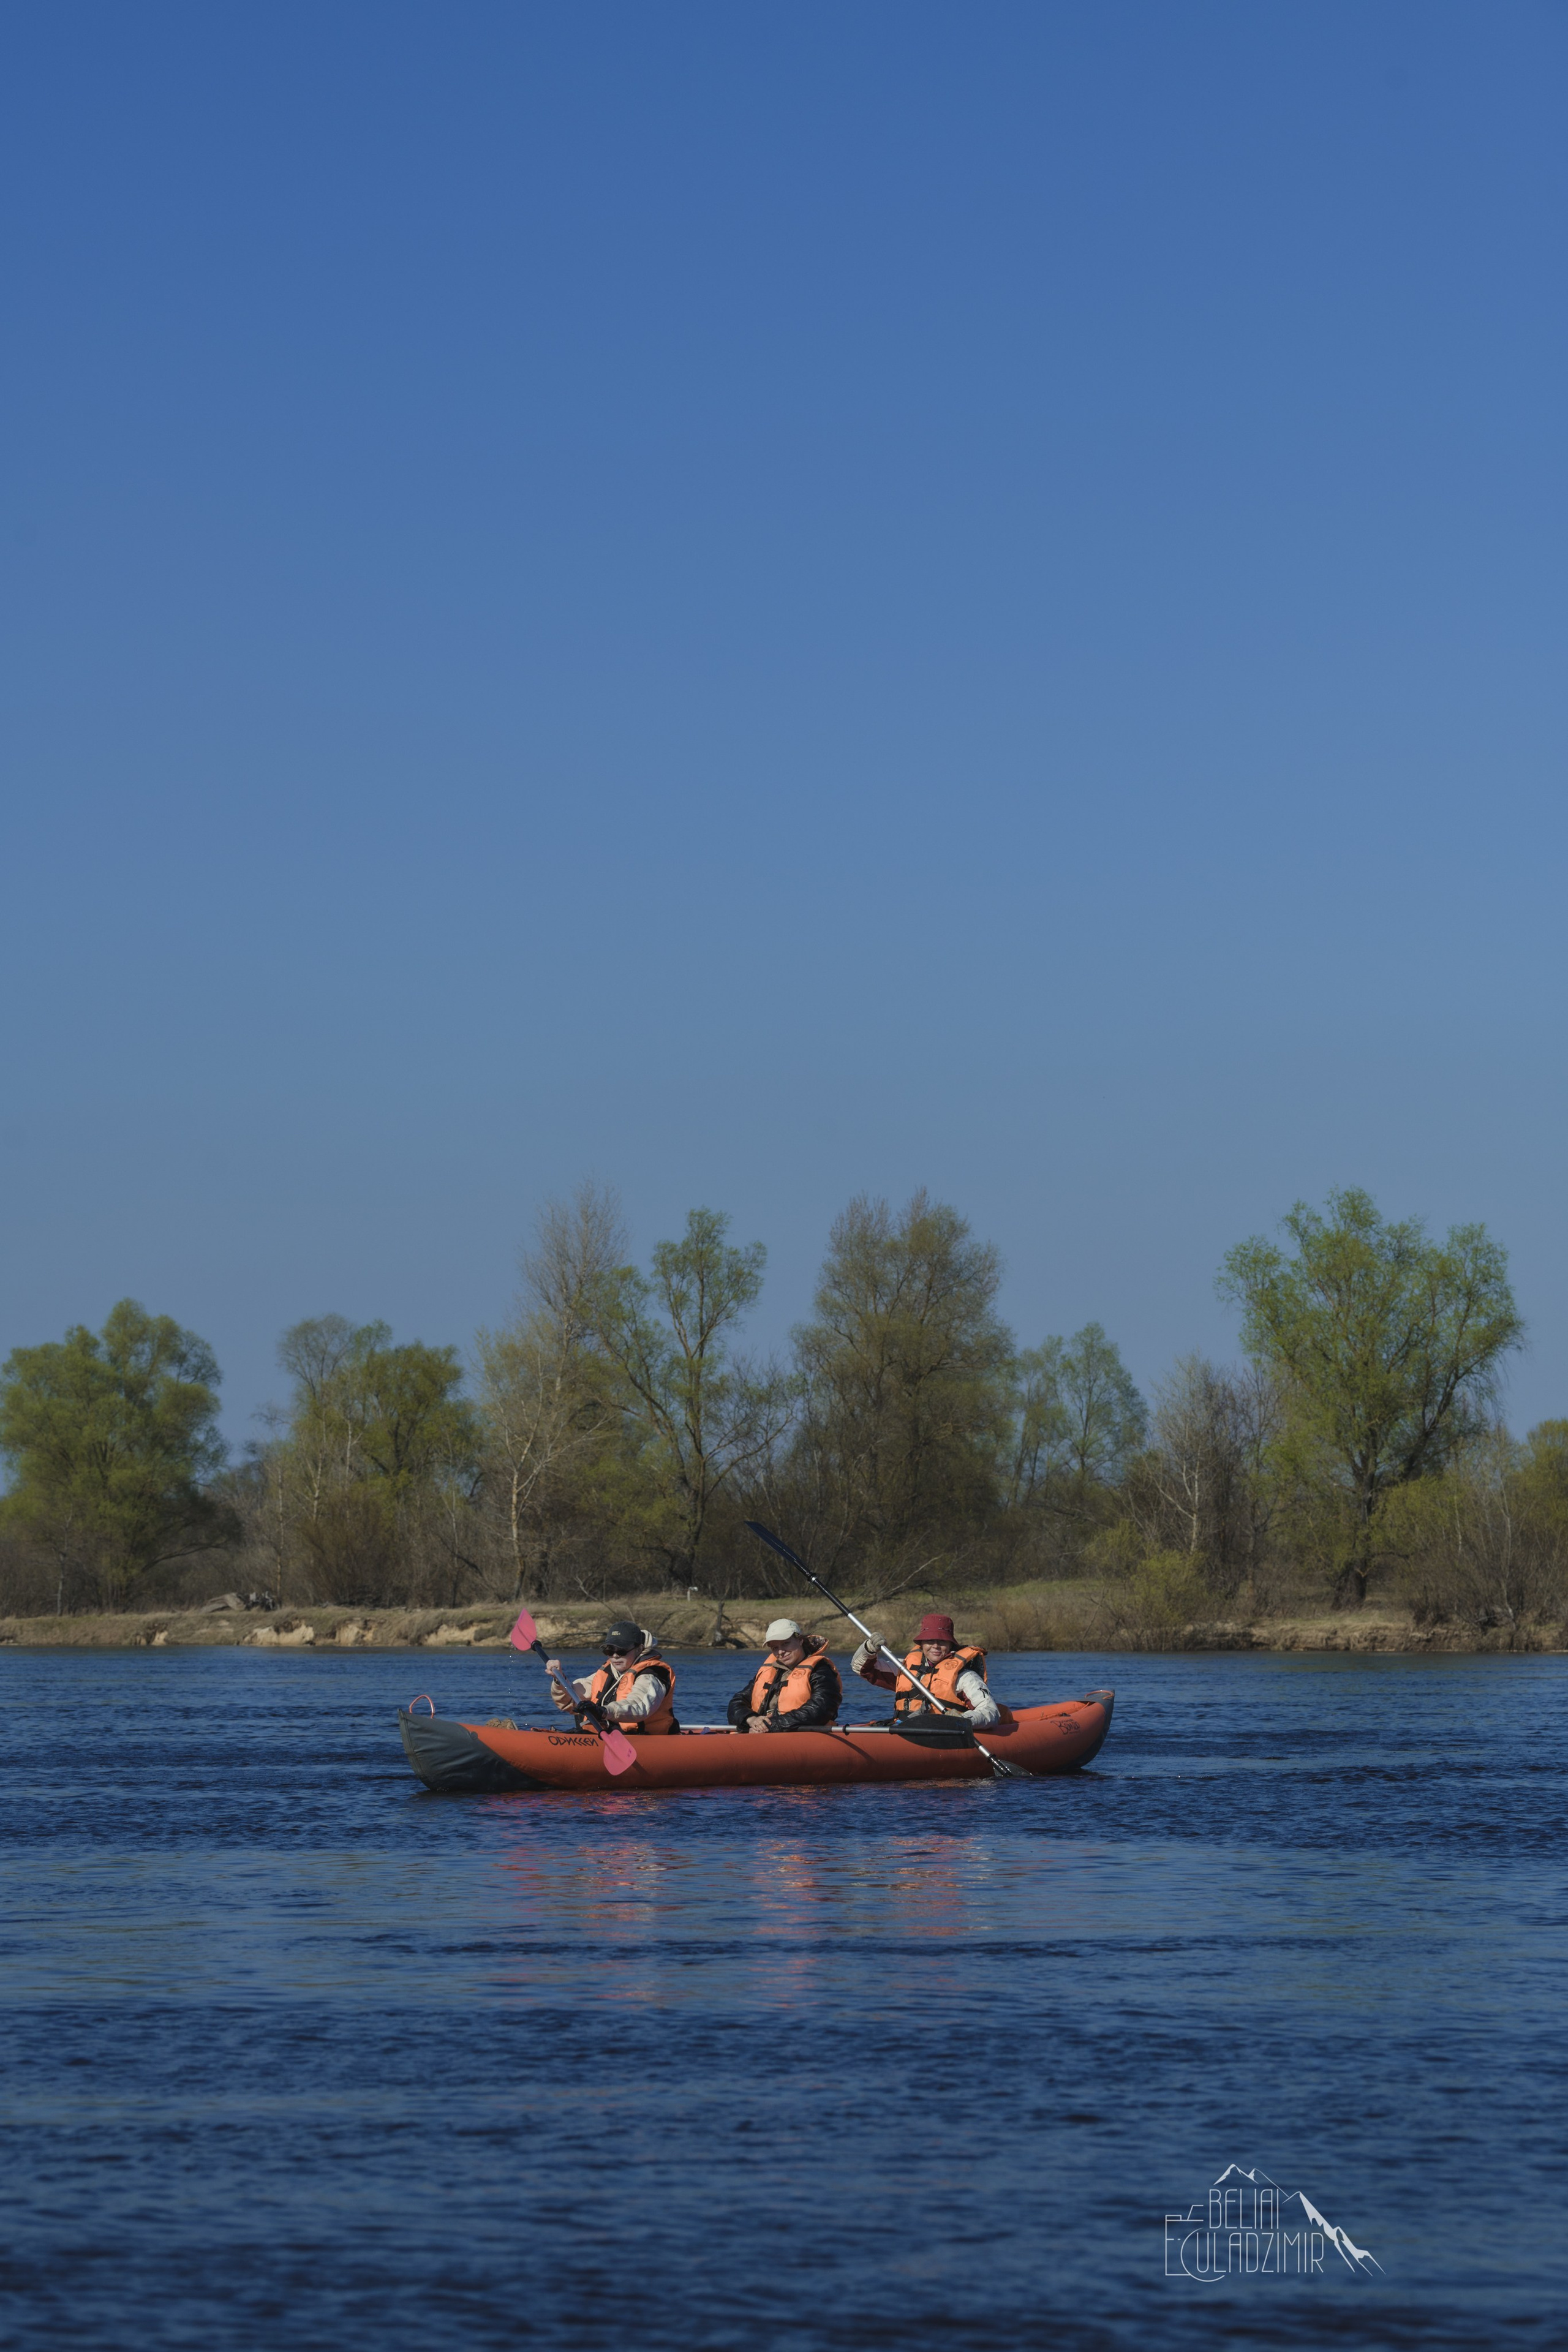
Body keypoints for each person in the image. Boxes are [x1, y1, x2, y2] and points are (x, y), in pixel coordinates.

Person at [850, 1611, 1000, 1727]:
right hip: (903, 1729)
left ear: (951, 1645)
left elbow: (991, 1712)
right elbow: (861, 1669)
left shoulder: (966, 1677)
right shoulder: (905, 1669)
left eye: (942, 1641)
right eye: (930, 1640)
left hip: (944, 1735)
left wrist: (964, 1720)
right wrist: (868, 1650)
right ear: (922, 1644)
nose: (936, 1646)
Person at [545, 1620, 679, 1735]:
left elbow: (639, 1706)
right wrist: (559, 1679)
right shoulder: (608, 1672)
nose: (615, 1656)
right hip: (607, 1736)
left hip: (644, 1740)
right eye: (609, 1650)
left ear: (639, 1649)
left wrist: (603, 1711)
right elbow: (569, 1701)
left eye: (622, 1651)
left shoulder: (652, 1674)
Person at [727, 1618, 842, 1734]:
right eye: (775, 1648)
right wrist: (752, 1720)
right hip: (762, 1732)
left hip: (799, 1734)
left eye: (785, 1644)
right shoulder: (769, 1671)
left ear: (800, 1640)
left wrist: (773, 1725)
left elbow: (822, 1708)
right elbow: (736, 1703)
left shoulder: (821, 1670)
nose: (781, 1652)